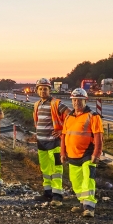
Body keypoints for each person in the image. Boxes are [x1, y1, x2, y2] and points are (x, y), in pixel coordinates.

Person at [61, 88, 103, 218]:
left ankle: (89, 207)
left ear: (85, 100)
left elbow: (98, 138)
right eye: (74, 100)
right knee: (76, 182)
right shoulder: (69, 117)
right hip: (72, 156)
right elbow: (63, 136)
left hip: (87, 155)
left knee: (88, 180)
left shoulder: (93, 116)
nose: (77, 103)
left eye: (80, 100)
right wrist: (63, 153)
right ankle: (82, 203)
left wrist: (96, 154)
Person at [33, 78, 70, 206]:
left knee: (56, 169)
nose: (43, 91)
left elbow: (70, 116)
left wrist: (62, 131)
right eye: (41, 88)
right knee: (45, 168)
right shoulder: (37, 104)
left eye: (45, 89)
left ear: (49, 90)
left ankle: (57, 195)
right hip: (41, 142)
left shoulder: (56, 103)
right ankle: (47, 192)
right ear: (37, 90)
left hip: (54, 143)